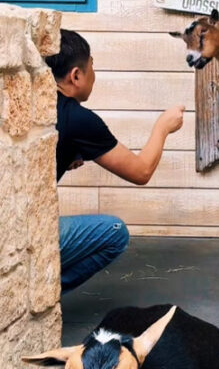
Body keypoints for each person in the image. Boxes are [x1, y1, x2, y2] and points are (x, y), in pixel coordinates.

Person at [45, 30, 185, 294]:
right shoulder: (78, 119)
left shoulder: (29, 102)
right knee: (114, 233)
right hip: (17, 235)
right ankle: (40, 295)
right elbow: (141, 172)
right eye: (92, 67)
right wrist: (163, 127)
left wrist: (65, 155)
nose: (94, 74)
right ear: (76, 76)